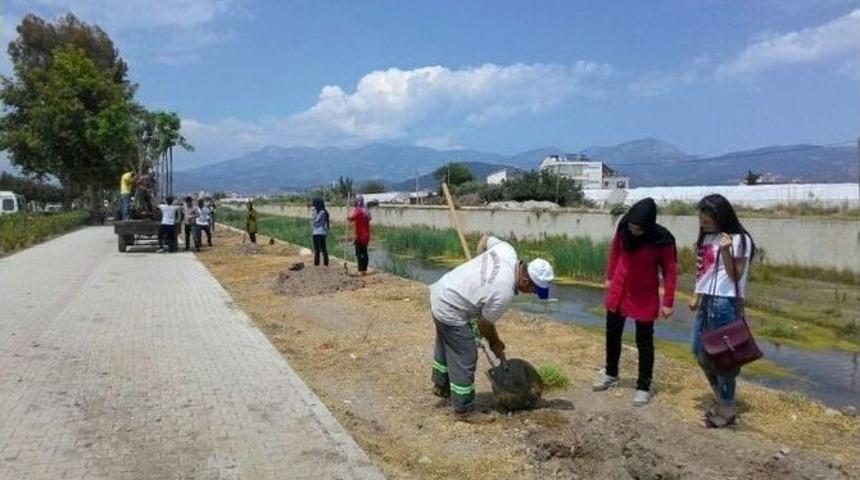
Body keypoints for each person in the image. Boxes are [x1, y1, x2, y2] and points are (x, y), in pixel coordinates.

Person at [430, 234, 554, 420]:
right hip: (450, 306)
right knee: (465, 354)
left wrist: (479, 267)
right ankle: (464, 410)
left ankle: (441, 386)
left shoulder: (507, 251)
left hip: (442, 290)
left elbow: (485, 238)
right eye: (535, 291)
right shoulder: (503, 292)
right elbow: (484, 325)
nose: (533, 294)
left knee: (447, 342)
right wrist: (495, 342)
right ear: (525, 282)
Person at [594, 198, 677, 407]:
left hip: (644, 294)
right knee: (612, 333)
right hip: (620, 289)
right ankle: (611, 372)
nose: (634, 232)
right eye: (631, 227)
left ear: (648, 226)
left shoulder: (662, 239)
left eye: (638, 230)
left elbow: (670, 270)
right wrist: (610, 277)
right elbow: (615, 252)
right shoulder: (624, 228)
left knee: (644, 341)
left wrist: (668, 301)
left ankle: (643, 385)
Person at [689, 194, 755, 428]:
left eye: (707, 220)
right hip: (707, 300)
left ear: (720, 216)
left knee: (723, 359)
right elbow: (703, 270)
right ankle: (720, 398)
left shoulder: (738, 239)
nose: (703, 224)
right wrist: (697, 294)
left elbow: (734, 275)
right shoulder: (708, 237)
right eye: (702, 220)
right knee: (698, 351)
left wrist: (726, 251)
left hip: (726, 303)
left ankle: (726, 409)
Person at [348, 195, 371, 275]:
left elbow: (350, 218)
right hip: (366, 235)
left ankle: (361, 270)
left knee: (359, 253)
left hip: (359, 236)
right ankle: (364, 269)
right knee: (364, 252)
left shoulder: (357, 210)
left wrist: (350, 212)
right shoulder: (366, 210)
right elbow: (369, 218)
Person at [311, 198, 330, 266]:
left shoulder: (322, 212)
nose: (314, 206)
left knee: (321, 249)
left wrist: (314, 213)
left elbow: (315, 221)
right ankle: (319, 264)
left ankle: (324, 264)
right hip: (318, 233)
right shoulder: (320, 212)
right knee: (319, 250)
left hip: (319, 233)